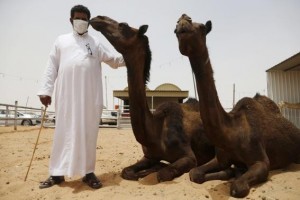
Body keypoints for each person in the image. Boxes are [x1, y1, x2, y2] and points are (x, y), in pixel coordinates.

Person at [37, 5, 125, 189]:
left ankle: (88, 172)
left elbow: (114, 60)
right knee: (63, 133)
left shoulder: (95, 42)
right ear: (71, 20)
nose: (81, 22)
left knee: (88, 134)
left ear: (89, 22)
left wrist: (133, 55)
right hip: (66, 97)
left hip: (89, 97)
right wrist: (46, 90)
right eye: (78, 18)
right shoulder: (61, 41)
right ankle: (57, 174)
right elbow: (51, 66)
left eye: (85, 19)